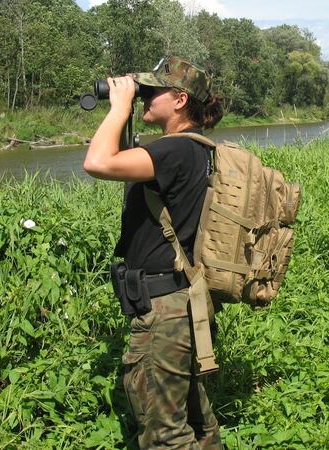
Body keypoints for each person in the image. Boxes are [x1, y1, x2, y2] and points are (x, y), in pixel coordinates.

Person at [83, 56, 224, 449]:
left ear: (179, 100)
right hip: (185, 300)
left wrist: (119, 106)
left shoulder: (175, 150)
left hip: (164, 309)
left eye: (152, 90)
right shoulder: (196, 149)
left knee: (163, 432)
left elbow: (97, 162)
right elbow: (125, 168)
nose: (145, 95)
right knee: (195, 417)